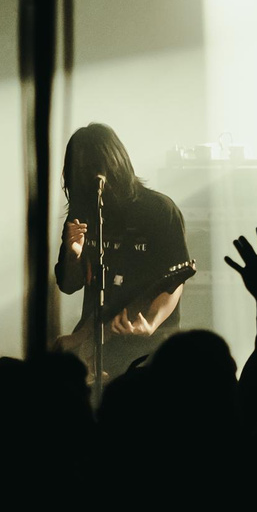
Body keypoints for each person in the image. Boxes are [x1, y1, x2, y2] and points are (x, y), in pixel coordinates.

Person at [53, 123, 193, 377]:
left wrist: (152, 321)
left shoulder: (158, 210)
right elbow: (69, 284)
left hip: (150, 352)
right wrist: (72, 253)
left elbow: (175, 277)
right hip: (96, 343)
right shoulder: (83, 212)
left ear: (115, 162)